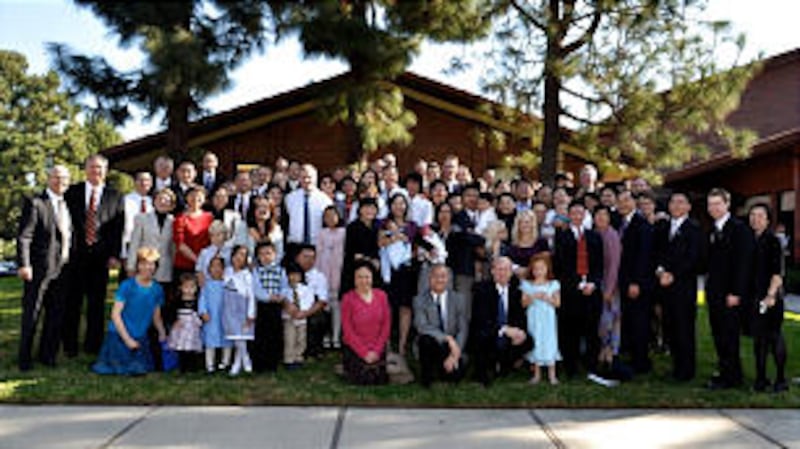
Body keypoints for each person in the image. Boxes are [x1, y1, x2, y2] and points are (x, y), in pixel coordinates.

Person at [64, 154, 124, 356]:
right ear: (85, 169)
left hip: (101, 258)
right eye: (92, 167)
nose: (95, 171)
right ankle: (70, 345)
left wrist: (114, 255)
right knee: (72, 302)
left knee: (96, 304)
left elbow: (118, 228)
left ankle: (93, 346)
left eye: (99, 167)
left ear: (106, 171)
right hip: (75, 257)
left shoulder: (115, 196)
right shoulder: (72, 192)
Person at [17, 165, 73, 371]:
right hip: (39, 269)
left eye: (64, 178)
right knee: (32, 313)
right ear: (48, 179)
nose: (61, 181)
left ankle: (47, 355)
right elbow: (24, 237)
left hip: (62, 269)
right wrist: (25, 264)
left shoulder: (66, 205)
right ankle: (24, 358)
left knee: (55, 314)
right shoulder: (36, 203)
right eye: (56, 177)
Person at [705, 188, 754, 390]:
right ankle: (724, 371)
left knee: (729, 336)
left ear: (727, 204)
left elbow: (744, 264)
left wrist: (736, 292)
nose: (713, 208)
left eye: (718, 203)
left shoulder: (739, 229)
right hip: (714, 292)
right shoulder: (712, 229)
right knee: (718, 334)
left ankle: (732, 377)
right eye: (710, 204)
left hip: (730, 294)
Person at [91, 247, 167, 375]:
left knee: (143, 366)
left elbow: (156, 315)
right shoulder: (127, 286)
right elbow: (115, 314)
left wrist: (162, 333)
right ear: (138, 265)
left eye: (151, 264)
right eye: (144, 264)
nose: (148, 268)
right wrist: (127, 339)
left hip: (140, 336)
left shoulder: (157, 289)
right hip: (120, 334)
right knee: (125, 367)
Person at [653, 192, 702, 382]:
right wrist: (660, 272)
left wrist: (673, 275)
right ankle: (676, 366)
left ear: (689, 207)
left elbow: (694, 259)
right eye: (673, 202)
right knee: (670, 328)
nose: (676, 205)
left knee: (684, 329)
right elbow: (657, 253)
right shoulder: (663, 227)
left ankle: (686, 371)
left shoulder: (694, 229)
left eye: (681, 202)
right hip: (664, 287)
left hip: (684, 288)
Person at [553, 201, 604, 377]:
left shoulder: (594, 236)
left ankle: (591, 365)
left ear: (584, 215)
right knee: (570, 331)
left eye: (580, 213)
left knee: (592, 330)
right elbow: (560, 266)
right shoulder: (561, 237)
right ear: (568, 215)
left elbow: (599, 265)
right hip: (571, 290)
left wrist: (593, 283)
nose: (577, 216)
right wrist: (577, 284)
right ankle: (571, 367)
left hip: (592, 290)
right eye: (573, 213)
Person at [471, 257, 532, 386]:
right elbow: (481, 319)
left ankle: (505, 364)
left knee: (528, 340)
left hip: (507, 334)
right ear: (492, 271)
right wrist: (504, 329)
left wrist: (519, 331)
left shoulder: (516, 291)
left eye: (506, 270)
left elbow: (519, 317)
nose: (502, 273)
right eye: (499, 269)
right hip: (488, 332)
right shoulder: (481, 289)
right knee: (482, 336)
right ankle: (486, 368)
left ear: (511, 273)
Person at [748, 203, 788, 392]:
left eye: (760, 216)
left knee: (774, 336)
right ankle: (761, 378)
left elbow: (777, 273)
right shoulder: (751, 239)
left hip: (771, 297)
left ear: (768, 220)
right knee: (759, 339)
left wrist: (770, 295)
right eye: (752, 215)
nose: (755, 219)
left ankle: (781, 380)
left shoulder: (773, 241)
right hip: (755, 296)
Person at [616, 189, 655, 374]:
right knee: (630, 320)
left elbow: (644, 257)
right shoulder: (621, 223)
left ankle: (641, 362)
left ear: (634, 203)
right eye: (620, 201)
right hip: (624, 281)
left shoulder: (642, 225)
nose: (623, 204)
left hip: (637, 283)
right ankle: (632, 356)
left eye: (626, 200)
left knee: (640, 322)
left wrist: (636, 282)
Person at [413, 264, 469, 388]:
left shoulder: (458, 299)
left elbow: (463, 329)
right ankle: (427, 378)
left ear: (448, 279)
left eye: (443, 276)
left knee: (454, 376)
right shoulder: (419, 300)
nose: (439, 280)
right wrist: (447, 338)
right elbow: (422, 326)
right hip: (432, 345)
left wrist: (455, 353)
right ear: (429, 279)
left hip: (451, 348)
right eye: (435, 276)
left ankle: (444, 369)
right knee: (425, 339)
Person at [378, 193, 419, 357]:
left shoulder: (412, 225)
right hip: (388, 271)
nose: (399, 207)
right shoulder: (383, 223)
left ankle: (402, 344)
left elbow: (414, 245)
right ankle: (386, 343)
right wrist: (396, 236)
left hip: (406, 270)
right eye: (395, 203)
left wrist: (397, 237)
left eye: (402, 203)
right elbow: (380, 242)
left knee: (405, 307)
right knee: (387, 307)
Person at [341, 261, 392, 385]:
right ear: (354, 279)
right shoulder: (347, 298)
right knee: (363, 379)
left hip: (377, 346)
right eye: (359, 277)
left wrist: (377, 350)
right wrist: (364, 353)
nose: (364, 281)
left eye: (367, 277)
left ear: (372, 278)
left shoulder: (382, 296)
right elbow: (347, 330)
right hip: (356, 347)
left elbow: (386, 325)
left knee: (378, 379)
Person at [521, 253, 561, 385]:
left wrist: (547, 298)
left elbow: (557, 303)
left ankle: (552, 374)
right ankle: (536, 374)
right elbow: (523, 303)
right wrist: (533, 297)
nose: (538, 271)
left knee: (549, 341)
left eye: (541, 268)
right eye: (536, 269)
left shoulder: (553, 284)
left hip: (548, 318)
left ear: (547, 269)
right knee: (536, 341)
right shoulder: (527, 284)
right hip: (534, 317)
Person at [593, 206, 623, 375]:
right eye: (598, 215)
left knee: (610, 321)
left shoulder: (612, 235)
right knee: (601, 321)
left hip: (610, 284)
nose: (601, 218)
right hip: (597, 283)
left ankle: (611, 356)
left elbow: (614, 265)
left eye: (604, 215)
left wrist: (609, 289)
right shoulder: (594, 233)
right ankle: (602, 354)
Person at [251, 241, 288, 372]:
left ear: (275, 254)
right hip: (263, 306)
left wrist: (281, 296)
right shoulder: (256, 271)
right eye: (262, 254)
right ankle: (260, 363)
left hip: (276, 306)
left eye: (268, 253)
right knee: (262, 333)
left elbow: (284, 286)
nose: (265, 257)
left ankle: (273, 362)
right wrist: (268, 297)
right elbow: (256, 289)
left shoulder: (280, 271)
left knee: (275, 333)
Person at [315, 206, 346, 349]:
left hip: (338, 271)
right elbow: (318, 253)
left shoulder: (344, 233)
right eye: (327, 216)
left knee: (337, 306)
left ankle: (336, 337)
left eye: (333, 215)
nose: (330, 219)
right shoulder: (321, 233)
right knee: (325, 306)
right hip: (324, 272)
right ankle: (325, 336)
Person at [284, 164, 333, 252]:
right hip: (295, 245)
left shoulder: (325, 200)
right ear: (299, 179)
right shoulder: (290, 198)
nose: (306, 180)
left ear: (315, 178)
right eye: (303, 177)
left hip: (317, 245)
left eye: (309, 177)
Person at [223, 245, 256, 376]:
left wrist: (251, 313)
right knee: (236, 336)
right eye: (237, 254)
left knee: (241, 335)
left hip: (242, 307)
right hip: (229, 307)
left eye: (243, 255)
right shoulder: (227, 271)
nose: (239, 258)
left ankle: (243, 361)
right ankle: (241, 361)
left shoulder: (247, 275)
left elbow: (251, 295)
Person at [199, 257, 232, 373]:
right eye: (213, 266)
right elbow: (202, 300)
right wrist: (203, 312)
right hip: (211, 317)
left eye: (219, 266)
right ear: (209, 269)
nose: (216, 269)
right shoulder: (206, 286)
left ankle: (225, 362)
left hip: (225, 317)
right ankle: (210, 364)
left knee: (227, 340)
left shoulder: (227, 284)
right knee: (210, 340)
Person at [173, 186, 214, 281]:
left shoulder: (209, 217)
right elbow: (180, 245)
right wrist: (198, 261)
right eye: (192, 195)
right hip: (185, 265)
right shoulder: (180, 218)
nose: (195, 198)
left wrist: (205, 261)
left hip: (206, 265)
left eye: (199, 196)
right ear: (186, 198)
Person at [341, 198, 381, 295]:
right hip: (355, 267)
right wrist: (370, 260)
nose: (369, 211)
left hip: (375, 269)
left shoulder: (379, 226)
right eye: (366, 208)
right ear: (360, 210)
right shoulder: (352, 227)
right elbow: (351, 252)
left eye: (372, 208)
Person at [281, 262, 315, 369]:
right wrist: (291, 310)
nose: (293, 277)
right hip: (289, 318)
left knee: (301, 339)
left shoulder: (305, 289)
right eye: (291, 275)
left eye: (296, 275)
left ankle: (298, 357)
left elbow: (309, 301)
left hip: (302, 318)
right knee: (289, 339)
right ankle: (289, 359)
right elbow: (283, 302)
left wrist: (302, 311)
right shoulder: (285, 290)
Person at [168, 273, 203, 372]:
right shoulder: (177, 301)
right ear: (181, 288)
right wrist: (174, 321)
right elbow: (171, 312)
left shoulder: (197, 301)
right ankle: (182, 366)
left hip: (192, 326)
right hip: (181, 325)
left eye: (192, 287)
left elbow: (200, 312)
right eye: (186, 287)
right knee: (181, 345)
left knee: (192, 345)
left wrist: (199, 320)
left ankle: (192, 366)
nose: (189, 290)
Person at [120, 172, 153, 280]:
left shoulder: (153, 202)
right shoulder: (125, 200)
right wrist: (123, 253)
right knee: (129, 280)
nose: (144, 183)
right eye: (140, 180)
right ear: (135, 182)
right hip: (129, 245)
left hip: (148, 247)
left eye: (147, 180)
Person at [507, 209, 550, 277]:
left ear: (533, 224)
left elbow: (546, 262)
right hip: (517, 277)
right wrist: (516, 269)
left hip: (537, 277)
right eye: (521, 222)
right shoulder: (512, 244)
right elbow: (508, 262)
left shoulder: (542, 242)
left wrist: (528, 270)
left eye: (527, 222)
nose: (524, 225)